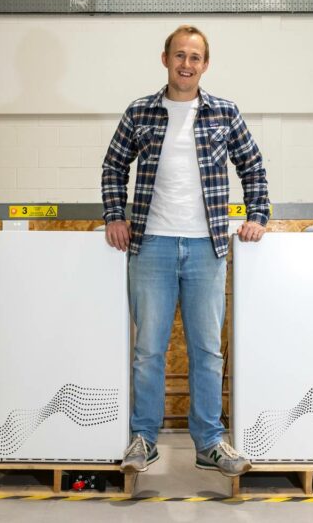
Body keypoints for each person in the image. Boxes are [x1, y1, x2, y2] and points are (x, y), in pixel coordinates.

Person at [101, 25, 270, 478]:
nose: (186, 64)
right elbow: (114, 165)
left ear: (205, 64)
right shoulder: (140, 112)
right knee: (148, 351)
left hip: (207, 247)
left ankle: (210, 442)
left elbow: (252, 165)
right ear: (165, 60)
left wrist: (258, 215)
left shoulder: (224, 113)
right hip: (151, 245)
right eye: (180, 55)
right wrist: (115, 215)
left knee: (207, 351)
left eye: (195, 57)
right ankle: (144, 439)